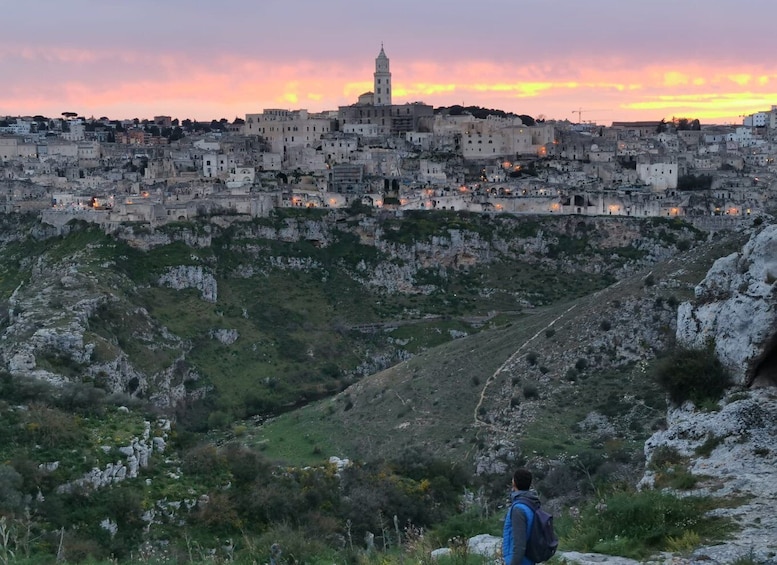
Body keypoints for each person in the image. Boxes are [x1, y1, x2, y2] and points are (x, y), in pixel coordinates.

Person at [502, 468, 541, 565]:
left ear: (514, 483)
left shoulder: (518, 509)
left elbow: (519, 544)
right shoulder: (532, 503)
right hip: (529, 558)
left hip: (519, 560)